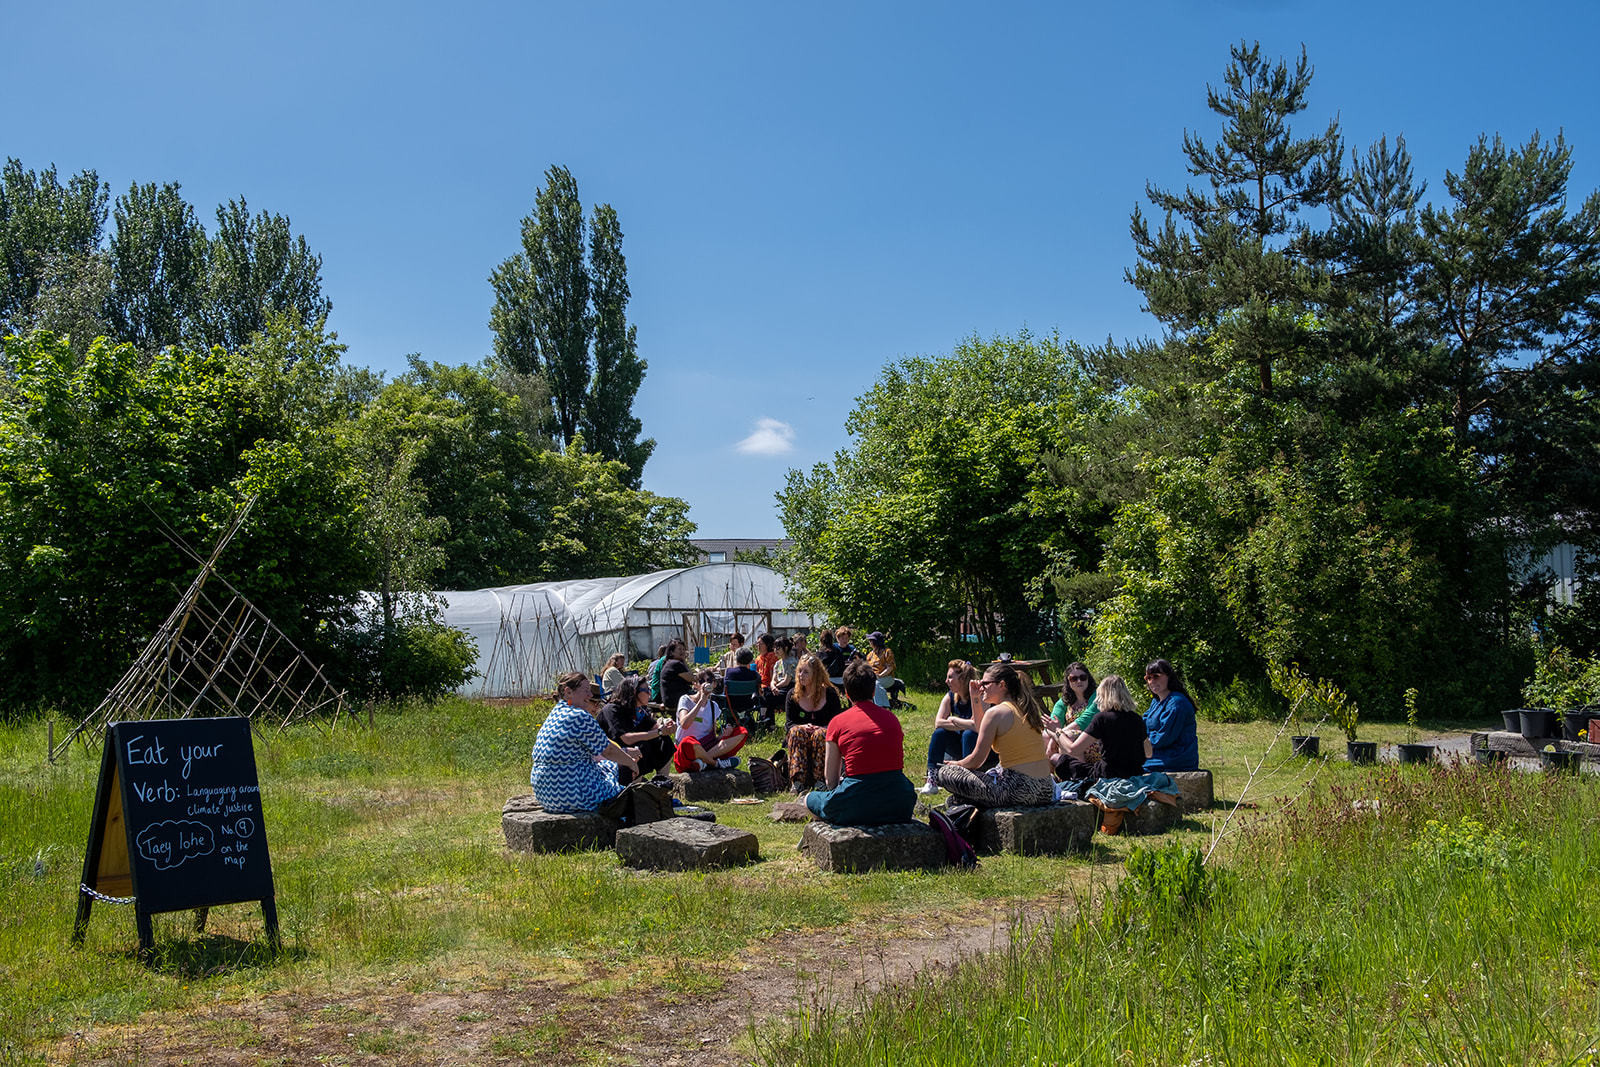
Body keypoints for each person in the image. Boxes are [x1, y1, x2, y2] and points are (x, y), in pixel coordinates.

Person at [530, 672, 671, 822]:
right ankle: (624, 815)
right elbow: (608, 750)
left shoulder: (556, 713)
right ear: (568, 692)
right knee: (621, 768)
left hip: (546, 793)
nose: (590, 694)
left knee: (611, 765)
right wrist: (631, 763)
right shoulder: (579, 716)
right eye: (586, 690)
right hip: (571, 793)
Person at [802, 660, 916, 826]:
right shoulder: (892, 719)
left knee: (810, 799)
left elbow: (831, 780)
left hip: (857, 799)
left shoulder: (838, 722)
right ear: (874, 690)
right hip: (900, 801)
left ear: (847, 693)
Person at [1062, 675, 1177, 835]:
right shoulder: (1137, 719)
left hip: (1108, 775)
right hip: (1134, 773)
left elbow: (1074, 750)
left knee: (1062, 762)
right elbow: (1149, 753)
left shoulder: (1102, 719)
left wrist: (1058, 733)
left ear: (1103, 695)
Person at [935, 661, 1055, 808]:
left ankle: (961, 801)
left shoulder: (996, 712)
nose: (981, 687)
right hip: (1046, 788)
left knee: (945, 772)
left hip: (1019, 790)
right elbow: (981, 728)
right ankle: (961, 801)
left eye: (986, 683)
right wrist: (975, 698)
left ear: (1002, 685)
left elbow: (976, 761)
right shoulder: (1025, 708)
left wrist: (956, 764)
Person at [783, 653, 843, 791]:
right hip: (800, 735)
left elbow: (837, 722)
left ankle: (820, 780)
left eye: (805, 672)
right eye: (799, 671)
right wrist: (803, 726)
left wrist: (821, 728)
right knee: (796, 731)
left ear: (815, 674)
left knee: (821, 734)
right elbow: (789, 723)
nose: (800, 675)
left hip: (823, 735)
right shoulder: (792, 695)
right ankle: (797, 782)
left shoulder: (830, 694)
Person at [919, 659, 981, 794]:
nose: (946, 681)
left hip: (981, 748)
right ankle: (932, 779)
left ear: (963, 679)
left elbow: (979, 727)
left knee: (969, 734)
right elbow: (938, 723)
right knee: (939, 733)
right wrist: (965, 724)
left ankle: (967, 779)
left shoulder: (978, 696)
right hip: (960, 745)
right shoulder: (950, 696)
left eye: (950, 677)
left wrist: (954, 720)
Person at [600, 677, 674, 784]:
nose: (650, 693)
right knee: (641, 747)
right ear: (634, 692)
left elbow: (655, 728)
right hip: (609, 755)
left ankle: (663, 783)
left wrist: (667, 726)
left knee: (664, 742)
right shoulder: (612, 710)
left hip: (630, 751)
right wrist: (659, 732)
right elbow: (626, 738)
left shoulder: (639, 711)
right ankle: (635, 787)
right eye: (646, 690)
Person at [673, 668, 749, 771]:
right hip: (688, 748)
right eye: (701, 681)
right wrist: (701, 700)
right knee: (689, 741)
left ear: (714, 684)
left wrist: (723, 735)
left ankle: (703, 761)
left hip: (706, 747)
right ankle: (715, 764)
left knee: (742, 732)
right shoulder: (686, 699)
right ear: (695, 685)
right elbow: (684, 724)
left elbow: (711, 735)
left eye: (708, 681)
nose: (705, 684)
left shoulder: (714, 706)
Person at [1045, 662, 1099, 779]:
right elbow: (1052, 722)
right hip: (1068, 739)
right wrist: (1055, 736)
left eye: (1083, 677)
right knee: (1045, 735)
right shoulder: (1065, 700)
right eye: (1074, 678)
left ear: (1088, 679)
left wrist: (1056, 737)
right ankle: (1050, 779)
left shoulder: (1097, 697)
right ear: (1068, 682)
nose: (1079, 681)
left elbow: (1084, 721)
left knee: (1069, 736)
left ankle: (1083, 778)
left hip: (1093, 740)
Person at [1143, 659, 1199, 772]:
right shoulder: (1156, 702)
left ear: (1168, 676)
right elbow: (1142, 724)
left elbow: (1163, 738)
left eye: (1156, 676)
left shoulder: (1177, 703)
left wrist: (1141, 742)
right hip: (1159, 753)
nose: (1152, 681)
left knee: (1131, 767)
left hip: (1176, 758)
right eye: (1148, 678)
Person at [723, 647, 768, 731]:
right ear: (750, 660)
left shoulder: (729, 672)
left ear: (736, 659)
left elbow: (724, 686)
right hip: (748, 703)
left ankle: (729, 723)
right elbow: (758, 687)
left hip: (731, 704)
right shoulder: (754, 674)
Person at [864, 631, 907, 706]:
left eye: (871, 641)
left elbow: (890, 668)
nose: (869, 642)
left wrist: (880, 675)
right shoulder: (870, 655)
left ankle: (883, 706)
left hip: (887, 677)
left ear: (875, 642)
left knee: (875, 684)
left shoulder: (887, 652)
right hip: (873, 677)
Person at [659, 638, 696, 711]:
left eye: (683, 649)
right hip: (675, 700)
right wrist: (684, 660)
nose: (682, 651)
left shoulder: (669, 663)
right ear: (671, 652)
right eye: (679, 649)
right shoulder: (676, 664)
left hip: (669, 699)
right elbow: (692, 678)